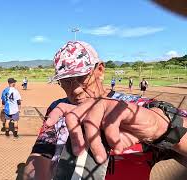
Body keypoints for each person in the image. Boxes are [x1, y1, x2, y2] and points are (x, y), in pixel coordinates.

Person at [23, 41, 187, 180]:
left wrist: (158, 126)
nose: (75, 90)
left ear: (100, 70)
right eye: (65, 81)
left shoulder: (136, 108)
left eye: (81, 77)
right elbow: (40, 154)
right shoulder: (58, 108)